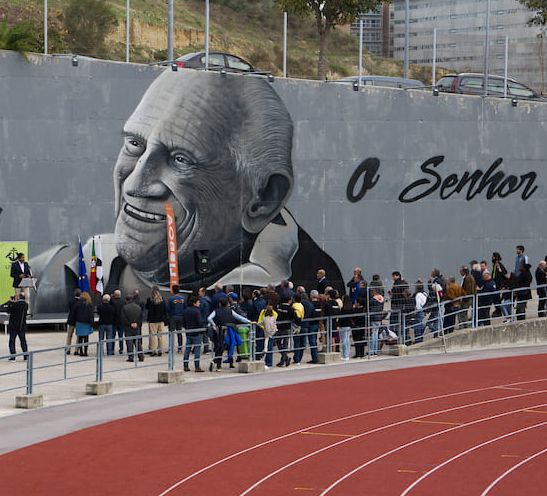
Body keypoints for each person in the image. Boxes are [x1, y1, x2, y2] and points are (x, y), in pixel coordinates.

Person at [28, 69, 343, 313]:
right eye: (134, 145)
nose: (135, 184)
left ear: (262, 198)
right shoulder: (58, 269)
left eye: (180, 159)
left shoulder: (315, 275)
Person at [0, 292, 30, 360]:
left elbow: (8, 311)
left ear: (19, 297)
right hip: (21, 326)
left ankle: (13, 356)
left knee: (12, 341)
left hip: (13, 326)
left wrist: (10, 303)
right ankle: (25, 355)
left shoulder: (15, 304)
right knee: (23, 340)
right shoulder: (25, 305)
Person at [145, 286, 169, 356]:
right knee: (160, 336)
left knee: (153, 336)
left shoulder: (150, 300)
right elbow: (165, 310)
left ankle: (153, 350)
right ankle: (160, 350)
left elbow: (147, 308)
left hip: (153, 320)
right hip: (161, 320)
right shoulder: (162, 300)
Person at [183, 298, 205, 372]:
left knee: (187, 349)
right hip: (196, 333)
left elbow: (184, 322)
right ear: (194, 303)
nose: (199, 304)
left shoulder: (186, 310)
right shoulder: (197, 311)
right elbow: (199, 322)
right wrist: (202, 329)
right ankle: (197, 366)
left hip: (188, 332)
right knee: (197, 350)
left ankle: (185, 365)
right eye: (198, 302)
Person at [72, 291, 95, 356]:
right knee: (86, 338)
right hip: (86, 323)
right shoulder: (89, 305)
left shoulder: (77, 304)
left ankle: (81, 351)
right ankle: (85, 351)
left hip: (79, 323)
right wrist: (92, 323)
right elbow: (91, 315)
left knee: (80, 338)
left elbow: (74, 313)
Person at [166, 286, 187, 352]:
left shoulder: (171, 299)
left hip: (173, 316)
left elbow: (168, 309)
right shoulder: (183, 298)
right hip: (181, 317)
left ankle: (170, 347)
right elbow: (185, 307)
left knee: (171, 332)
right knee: (179, 332)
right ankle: (180, 348)